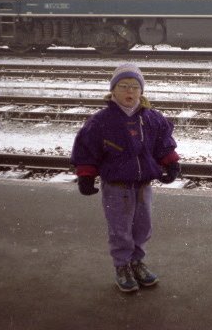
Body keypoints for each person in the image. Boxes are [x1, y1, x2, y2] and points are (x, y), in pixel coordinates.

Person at [71, 63, 181, 292]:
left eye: (134, 87)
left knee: (143, 226)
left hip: (143, 185)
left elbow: (163, 144)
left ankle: (136, 262)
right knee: (120, 228)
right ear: (113, 90)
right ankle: (122, 265)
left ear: (141, 91)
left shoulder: (152, 118)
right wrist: (86, 175)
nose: (129, 92)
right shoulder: (101, 121)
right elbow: (86, 149)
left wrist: (171, 163)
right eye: (123, 86)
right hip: (116, 186)